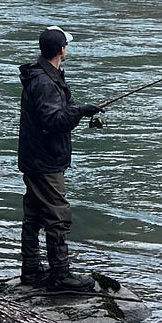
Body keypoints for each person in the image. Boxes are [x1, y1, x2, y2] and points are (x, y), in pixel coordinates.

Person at [17, 25, 101, 293]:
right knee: (57, 215)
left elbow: (53, 114)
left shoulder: (42, 76)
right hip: (45, 161)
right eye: (67, 46)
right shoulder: (45, 82)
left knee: (34, 213)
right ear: (61, 50)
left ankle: (31, 269)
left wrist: (78, 111)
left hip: (36, 157)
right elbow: (52, 121)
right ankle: (61, 275)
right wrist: (80, 111)